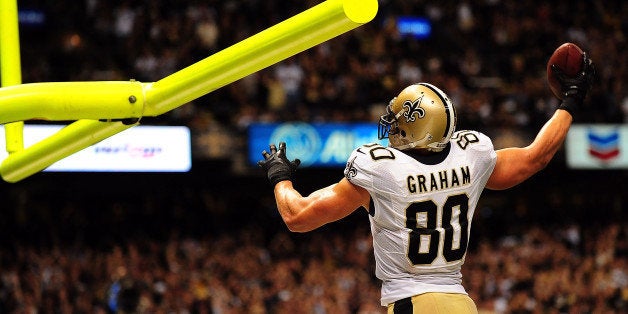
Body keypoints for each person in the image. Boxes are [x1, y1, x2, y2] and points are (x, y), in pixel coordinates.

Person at [258, 52, 595, 313]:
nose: (391, 127)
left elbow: (298, 217)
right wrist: (571, 100)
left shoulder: (381, 170)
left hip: (412, 302)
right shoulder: (471, 156)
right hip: (461, 303)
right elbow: (536, 156)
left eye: (397, 121)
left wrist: (280, 177)